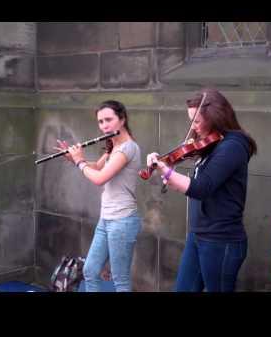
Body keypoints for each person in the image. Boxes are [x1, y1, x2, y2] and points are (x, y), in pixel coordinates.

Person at [146, 88, 257, 292]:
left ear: (216, 117)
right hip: (198, 235)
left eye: (196, 121)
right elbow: (195, 185)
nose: (194, 128)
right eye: (191, 122)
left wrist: (168, 172)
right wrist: (163, 166)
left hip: (221, 241)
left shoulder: (232, 146)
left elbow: (201, 188)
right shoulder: (213, 145)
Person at [57, 100, 141, 292]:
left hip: (122, 221)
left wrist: (80, 162)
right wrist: (74, 159)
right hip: (107, 219)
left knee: (120, 279)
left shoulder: (128, 148)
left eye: (108, 120)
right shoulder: (113, 146)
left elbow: (100, 178)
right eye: (101, 121)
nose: (104, 126)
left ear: (122, 119)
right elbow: (96, 167)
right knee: (90, 270)